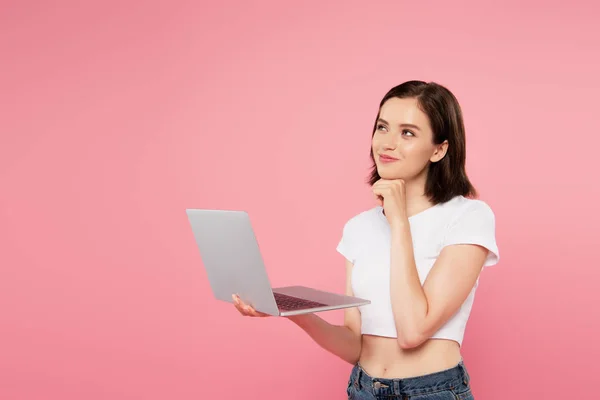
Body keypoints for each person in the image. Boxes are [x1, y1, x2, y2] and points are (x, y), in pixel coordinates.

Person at [232, 80, 499, 400]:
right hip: (364, 389)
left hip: (433, 391)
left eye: (408, 133)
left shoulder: (468, 217)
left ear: (439, 149)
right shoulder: (359, 228)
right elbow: (355, 345)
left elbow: (413, 331)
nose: (387, 143)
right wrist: (294, 312)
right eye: (382, 127)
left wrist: (399, 220)